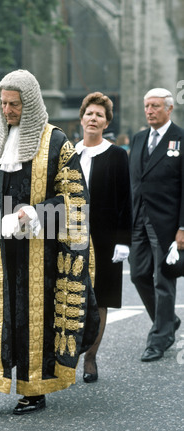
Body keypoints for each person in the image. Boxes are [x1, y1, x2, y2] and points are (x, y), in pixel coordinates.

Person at [0, 69, 100, 415]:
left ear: (31, 103)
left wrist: (32, 214)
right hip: (1, 252)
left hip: (41, 252)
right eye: (3, 103)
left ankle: (34, 389)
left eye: (14, 104)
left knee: (35, 318)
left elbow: (76, 199)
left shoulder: (56, 142)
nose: (7, 111)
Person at [75, 92, 132, 382]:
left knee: (100, 299)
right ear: (81, 118)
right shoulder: (68, 154)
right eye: (89, 113)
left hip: (106, 239)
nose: (93, 118)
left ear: (107, 122)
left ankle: (91, 358)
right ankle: (66, 356)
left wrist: (124, 241)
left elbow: (126, 200)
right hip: (71, 237)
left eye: (99, 115)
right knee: (70, 296)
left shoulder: (117, 155)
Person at [129, 88, 184, 362]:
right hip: (139, 219)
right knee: (138, 275)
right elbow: (134, 184)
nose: (149, 111)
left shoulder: (181, 139)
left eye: (155, 106)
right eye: (147, 106)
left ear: (169, 108)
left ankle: (159, 338)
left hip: (167, 223)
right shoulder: (138, 139)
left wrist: (183, 228)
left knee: (164, 280)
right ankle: (168, 320)